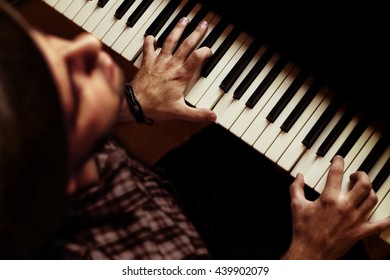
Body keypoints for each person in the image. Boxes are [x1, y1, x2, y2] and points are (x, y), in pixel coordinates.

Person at [0, 0, 389, 260]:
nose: (85, 47)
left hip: (163, 192)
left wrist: (131, 102)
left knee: (238, 139)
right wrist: (311, 251)